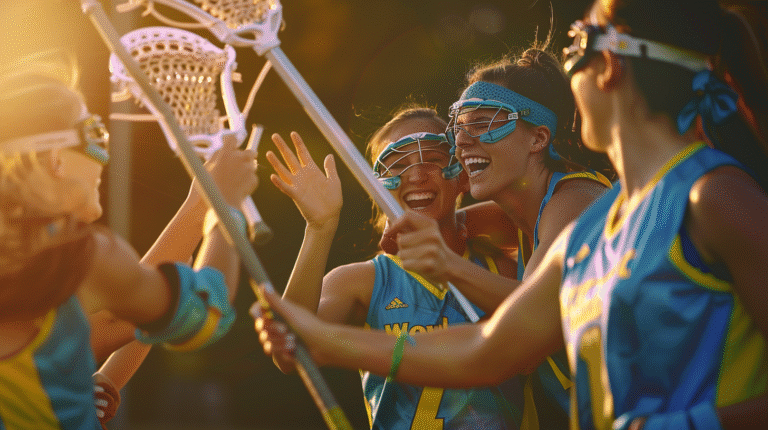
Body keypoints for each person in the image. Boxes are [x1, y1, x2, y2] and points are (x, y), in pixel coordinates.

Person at [254, 0, 768, 428]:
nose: (565, 72)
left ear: (611, 65)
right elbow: (486, 349)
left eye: (576, 45)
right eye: (460, 125)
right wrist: (325, 340)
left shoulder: (712, 198)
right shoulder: (591, 234)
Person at [0, 53, 257, 429]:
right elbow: (205, 314)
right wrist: (226, 207)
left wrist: (74, 382)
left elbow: (108, 324)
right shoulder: (78, 255)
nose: (104, 155)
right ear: (55, 159)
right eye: (94, 135)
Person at [379, 46, 614, 429]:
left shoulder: (575, 202)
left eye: (483, 124)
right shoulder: (522, 212)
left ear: (538, 138)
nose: (461, 142)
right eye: (460, 127)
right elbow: (458, 225)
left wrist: (447, 264)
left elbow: (529, 331)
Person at [264, 105, 522, 429]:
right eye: (396, 164)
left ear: (462, 175)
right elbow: (289, 352)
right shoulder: (363, 281)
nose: (416, 175)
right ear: (378, 188)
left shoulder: (501, 267)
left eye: (432, 158)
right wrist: (320, 228)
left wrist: (459, 226)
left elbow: (544, 209)